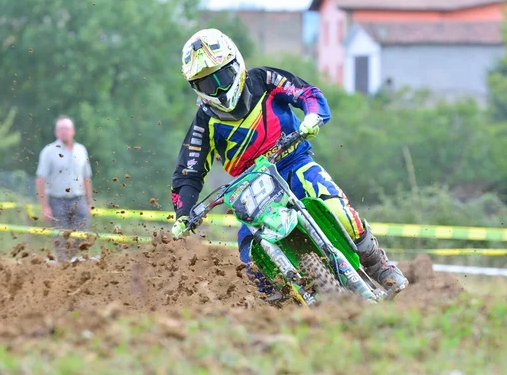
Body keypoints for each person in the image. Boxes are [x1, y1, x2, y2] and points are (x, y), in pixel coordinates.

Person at [170, 28, 408, 295]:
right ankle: (281, 305)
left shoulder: (265, 79)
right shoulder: (204, 122)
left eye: (222, 76)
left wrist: (312, 117)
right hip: (250, 188)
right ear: (196, 88)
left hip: (293, 161)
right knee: (251, 257)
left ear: (235, 64)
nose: (219, 88)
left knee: (338, 210)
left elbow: (307, 93)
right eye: (207, 84)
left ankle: (378, 264)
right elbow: (188, 172)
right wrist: (183, 214)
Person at [36, 115, 93, 262]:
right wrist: (44, 207)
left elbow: (87, 177)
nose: (64, 132)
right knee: (59, 237)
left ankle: (69, 258)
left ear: (73, 131)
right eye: (61, 129)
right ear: (56, 132)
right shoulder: (49, 151)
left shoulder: (81, 150)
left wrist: (89, 201)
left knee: (82, 233)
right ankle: (63, 264)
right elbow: (40, 179)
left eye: (66, 128)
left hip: (78, 198)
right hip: (57, 200)